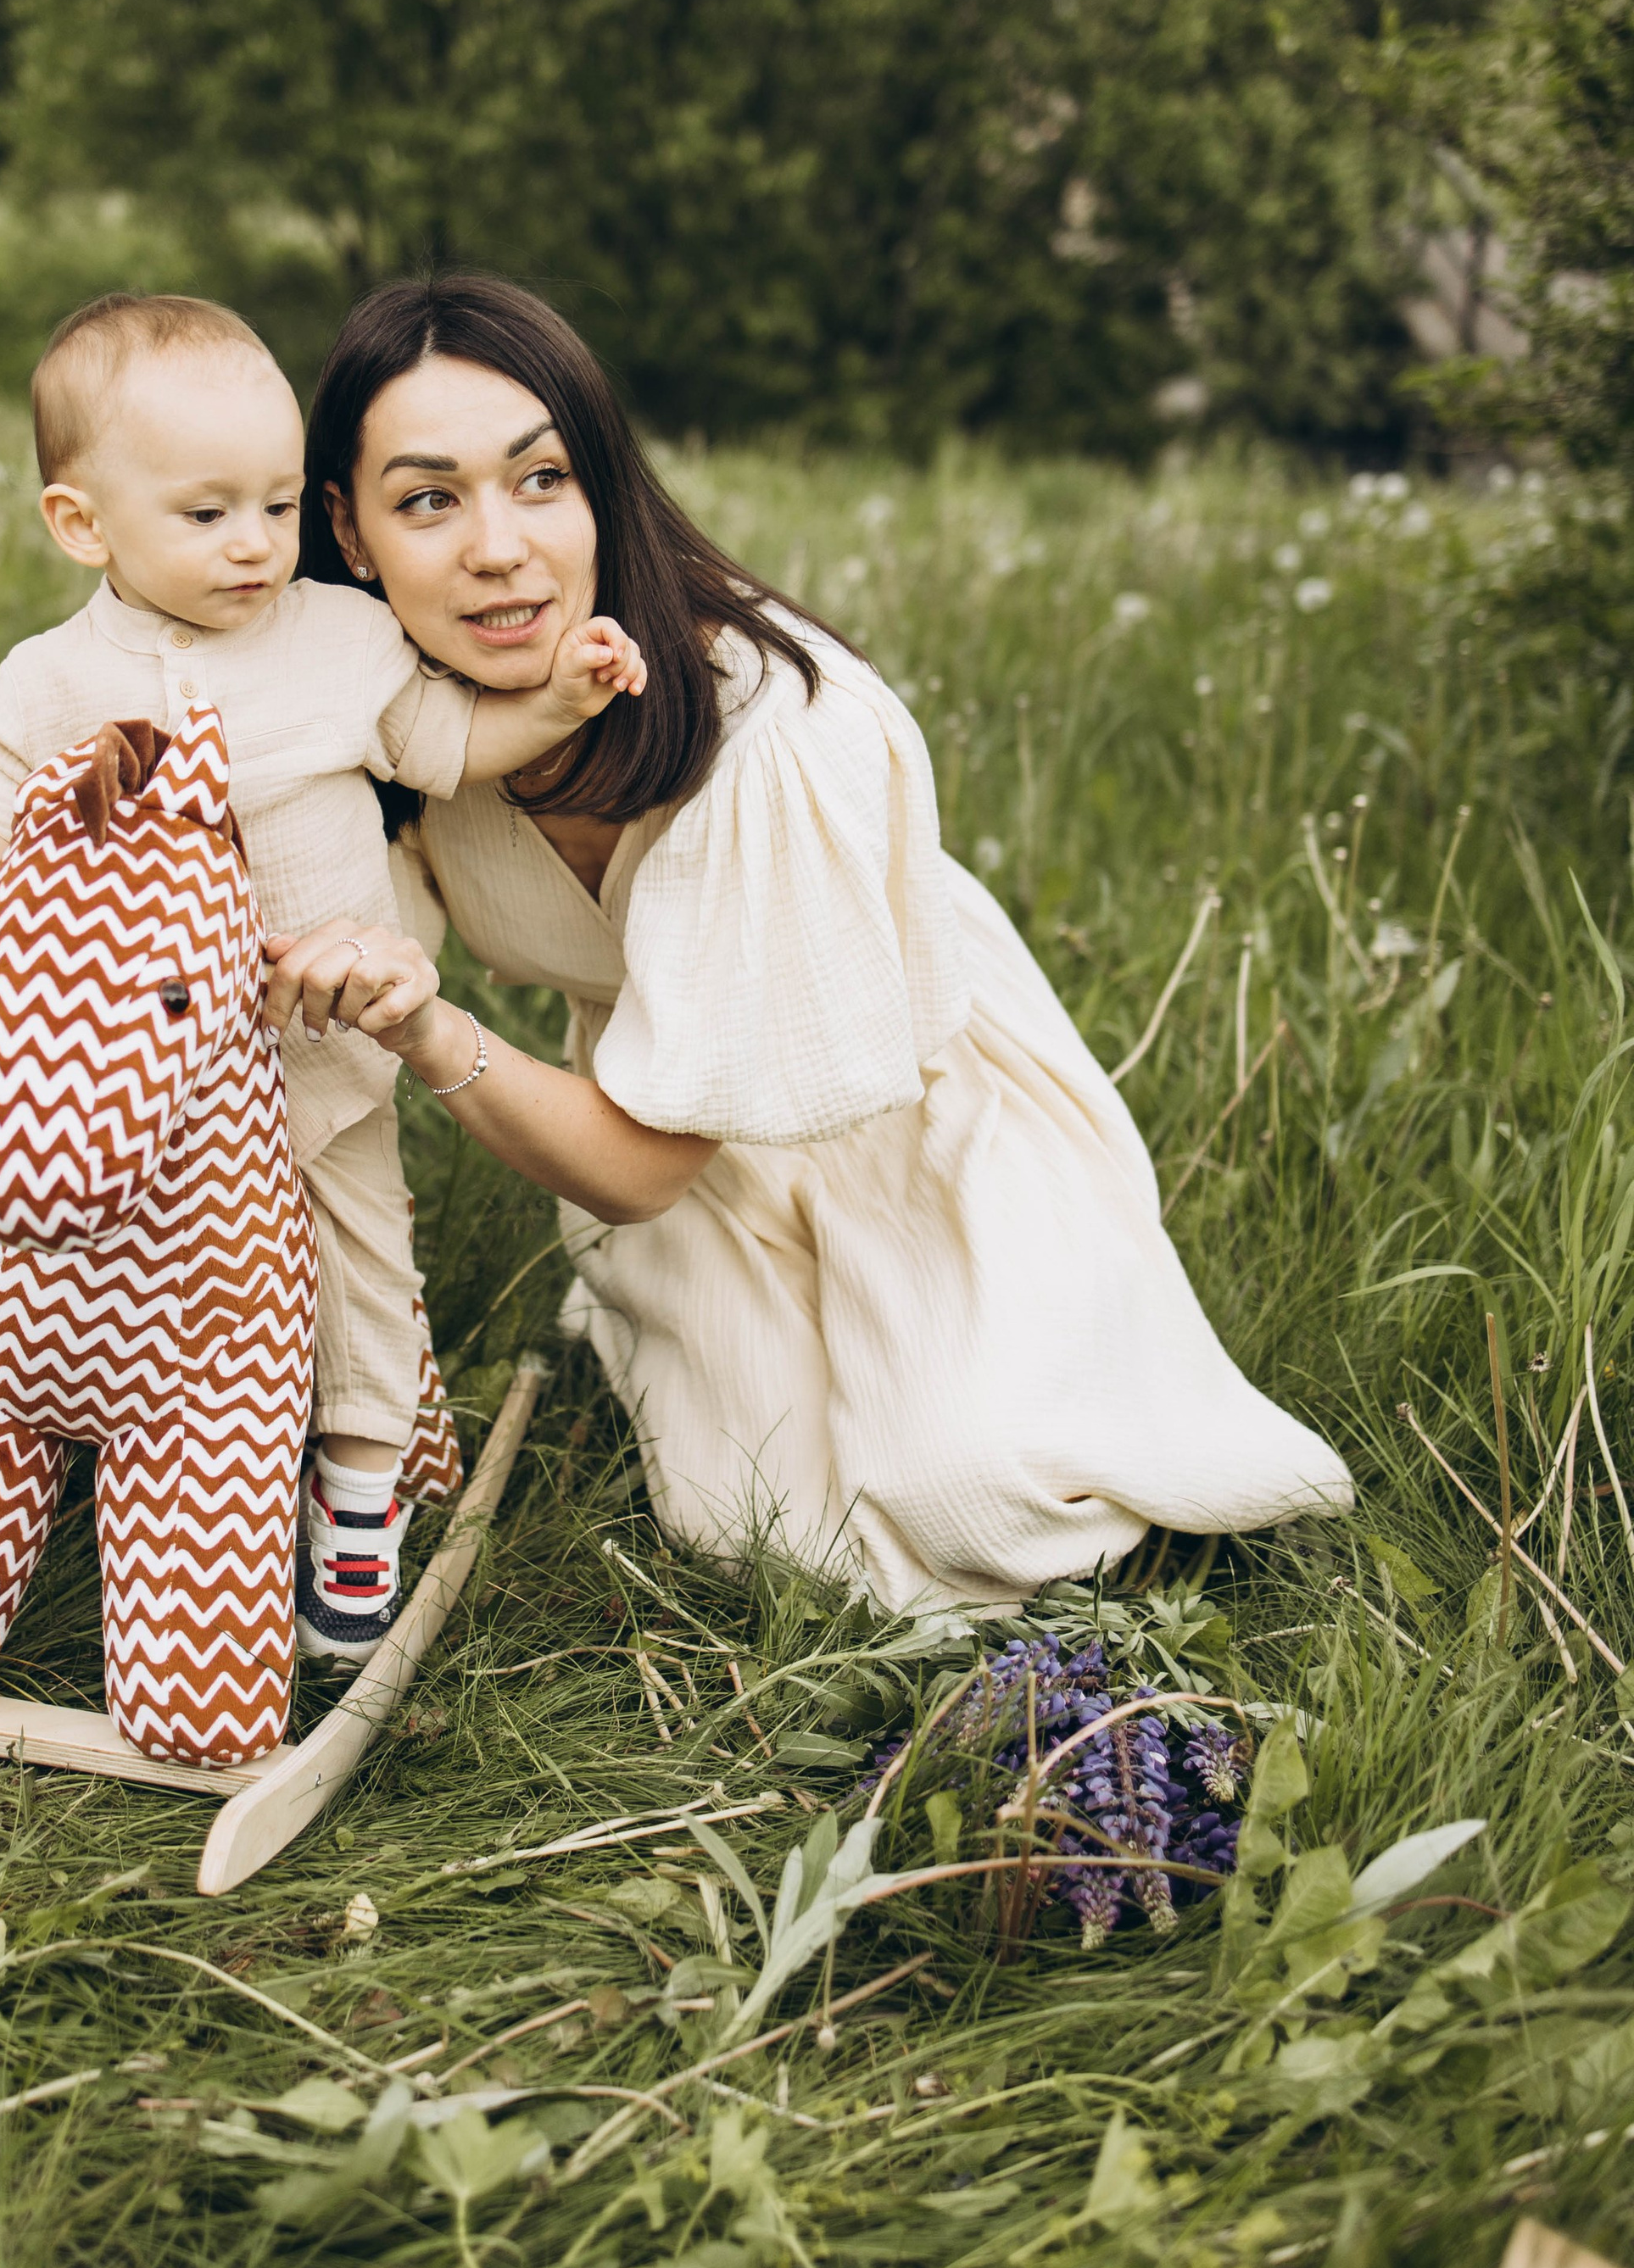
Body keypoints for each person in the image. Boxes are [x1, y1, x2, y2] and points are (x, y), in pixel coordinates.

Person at [241, 272, 1353, 1616]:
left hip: (907, 1110)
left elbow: (641, 1165)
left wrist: (431, 1032)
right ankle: (688, 1336)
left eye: (541, 480)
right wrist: (5, 1072)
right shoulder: (368, 722)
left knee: (982, 1500)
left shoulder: (776, 725)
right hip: (664, 1110)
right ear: (349, 533)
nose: (498, 547)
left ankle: (1051, 1345)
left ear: (602, 490)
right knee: (765, 1529)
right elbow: (242, 964)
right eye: (430, 499)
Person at [0, 290, 645, 1657]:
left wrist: (557, 700)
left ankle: (355, 1491)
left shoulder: (338, 638)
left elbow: (444, 737)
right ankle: (68, 1441)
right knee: (74, 1248)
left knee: (356, 1252)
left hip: (316, 1044)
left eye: (275, 508)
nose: (255, 547)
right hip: (125, 1069)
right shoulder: (60, 675)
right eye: (206, 517)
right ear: (84, 525)